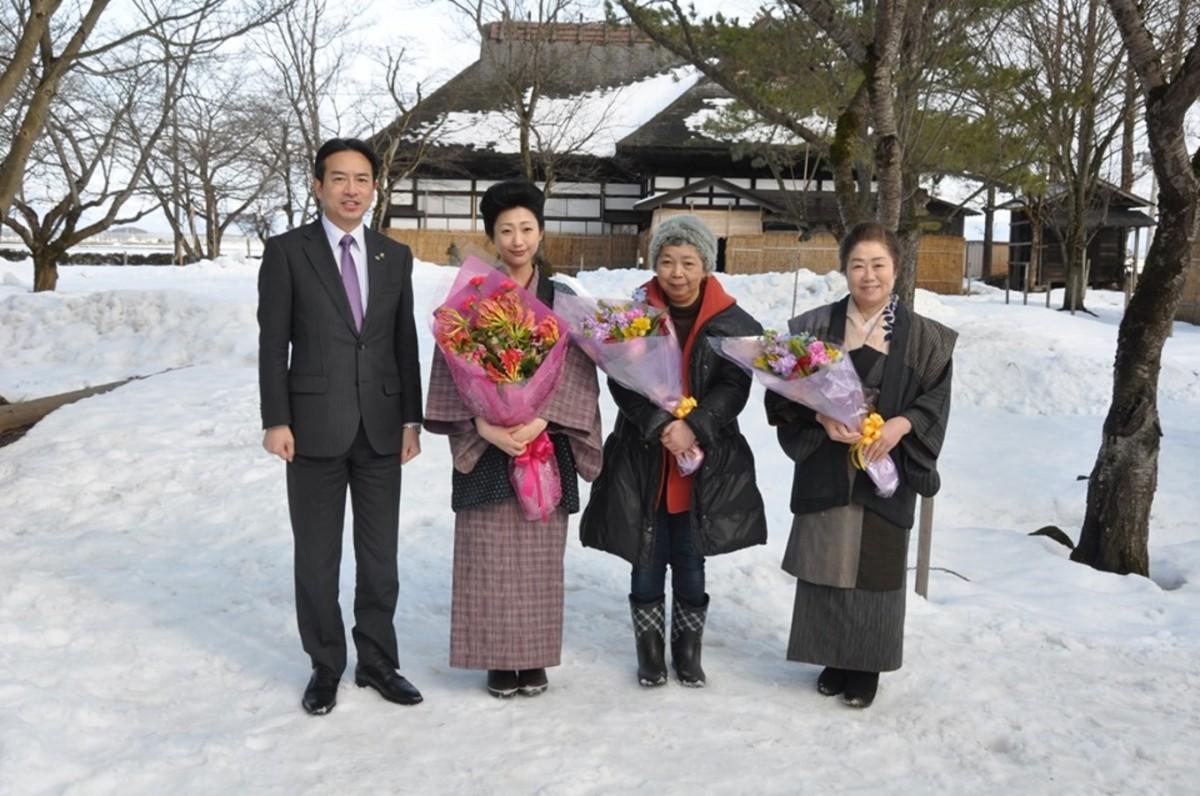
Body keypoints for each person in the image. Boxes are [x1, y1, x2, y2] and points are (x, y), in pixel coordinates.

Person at [258, 137, 424, 715]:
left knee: (380, 560)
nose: (352, 189)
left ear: (374, 187)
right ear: (318, 185)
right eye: (339, 178)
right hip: (312, 429)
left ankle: (378, 662)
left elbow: (405, 342)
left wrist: (411, 419)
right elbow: (272, 343)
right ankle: (326, 665)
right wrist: (275, 418)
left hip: (381, 427)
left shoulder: (393, 255)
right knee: (318, 558)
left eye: (362, 179)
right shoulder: (287, 252)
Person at [424, 179, 603, 699]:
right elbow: (449, 364)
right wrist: (481, 424)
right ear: (492, 235)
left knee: (539, 556)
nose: (518, 239)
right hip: (487, 443)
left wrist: (542, 419)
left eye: (527, 228)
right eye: (506, 230)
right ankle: (498, 660)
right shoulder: (472, 298)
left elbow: (580, 370)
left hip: (545, 444)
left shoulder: (563, 299)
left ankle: (533, 656)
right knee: (489, 552)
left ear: (541, 231)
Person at [765, 221, 956, 708]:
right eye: (857, 265)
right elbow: (781, 396)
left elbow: (936, 399)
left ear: (896, 268)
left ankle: (866, 665)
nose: (868, 276)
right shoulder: (812, 328)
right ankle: (831, 656)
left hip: (884, 465)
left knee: (876, 566)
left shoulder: (925, 339)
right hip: (829, 460)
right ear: (844, 270)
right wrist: (818, 415)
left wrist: (903, 425)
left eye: (879, 264)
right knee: (827, 558)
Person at [580, 214, 766, 688]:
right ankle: (649, 653)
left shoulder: (733, 322)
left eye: (688, 261)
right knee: (645, 552)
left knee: (689, 555)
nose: (676, 272)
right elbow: (622, 381)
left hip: (703, 459)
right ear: (654, 263)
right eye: (666, 260)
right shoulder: (631, 317)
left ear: (706, 264)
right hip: (645, 453)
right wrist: (662, 424)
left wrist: (695, 427)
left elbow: (733, 389)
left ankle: (687, 652)